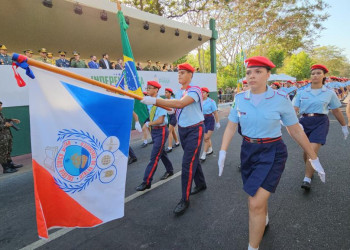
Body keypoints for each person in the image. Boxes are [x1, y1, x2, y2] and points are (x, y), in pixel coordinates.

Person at [218, 56, 326, 250]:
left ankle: (253, 247)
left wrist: (313, 155)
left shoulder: (281, 99)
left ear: (268, 74)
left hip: (272, 152)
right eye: (249, 72)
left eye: (258, 72)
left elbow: (295, 130)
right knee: (256, 195)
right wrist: (222, 151)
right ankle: (263, 218)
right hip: (248, 152)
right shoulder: (239, 99)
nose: (252, 76)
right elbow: (231, 127)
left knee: (254, 203)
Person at [141, 63, 206, 215]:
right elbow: (173, 109)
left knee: (187, 164)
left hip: (195, 130)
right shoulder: (179, 92)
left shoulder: (195, 89)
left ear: (191, 75)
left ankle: (185, 199)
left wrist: (156, 101)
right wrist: (154, 101)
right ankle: (201, 184)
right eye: (178, 73)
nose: (179, 75)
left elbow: (181, 104)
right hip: (183, 130)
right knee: (193, 159)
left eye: (183, 73)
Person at [292, 64, 349, 190]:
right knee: (306, 150)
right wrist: (293, 123)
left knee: (312, 149)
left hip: (321, 122)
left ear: (324, 76)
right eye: (313, 73)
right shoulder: (301, 92)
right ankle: (310, 167)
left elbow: (336, 111)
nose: (315, 75)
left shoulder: (329, 93)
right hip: (304, 122)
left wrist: (344, 126)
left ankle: (307, 179)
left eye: (318, 73)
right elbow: (294, 109)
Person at [135, 81, 174, 191]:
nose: (147, 89)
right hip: (155, 131)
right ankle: (170, 170)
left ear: (156, 90)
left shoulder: (160, 102)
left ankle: (146, 182)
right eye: (147, 88)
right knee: (161, 153)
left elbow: (161, 120)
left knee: (154, 157)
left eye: (150, 88)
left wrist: (149, 124)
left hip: (161, 131)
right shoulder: (149, 102)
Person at [0, 101, 23, 173]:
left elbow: (3, 121)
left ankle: (10, 164)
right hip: (1, 138)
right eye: (0, 106)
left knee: (8, 151)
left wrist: (11, 120)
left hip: (6, 136)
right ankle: (6, 168)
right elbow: (2, 124)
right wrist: (5, 125)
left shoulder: (0, 114)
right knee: (2, 152)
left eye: (1, 106)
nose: (1, 107)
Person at [200, 87, 220, 162]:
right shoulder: (199, 101)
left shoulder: (211, 101)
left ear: (207, 94)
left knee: (206, 138)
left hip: (209, 120)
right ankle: (210, 149)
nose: (202, 94)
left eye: (204, 92)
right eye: (201, 92)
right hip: (202, 120)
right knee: (207, 137)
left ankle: (204, 154)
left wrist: (217, 122)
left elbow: (215, 113)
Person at [164, 88, 180, 153]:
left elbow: (177, 109)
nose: (165, 94)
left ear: (170, 93)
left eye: (166, 92)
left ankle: (169, 147)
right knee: (172, 130)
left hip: (174, 116)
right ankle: (177, 142)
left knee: (169, 131)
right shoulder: (165, 100)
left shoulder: (173, 100)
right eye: (165, 92)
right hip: (169, 116)